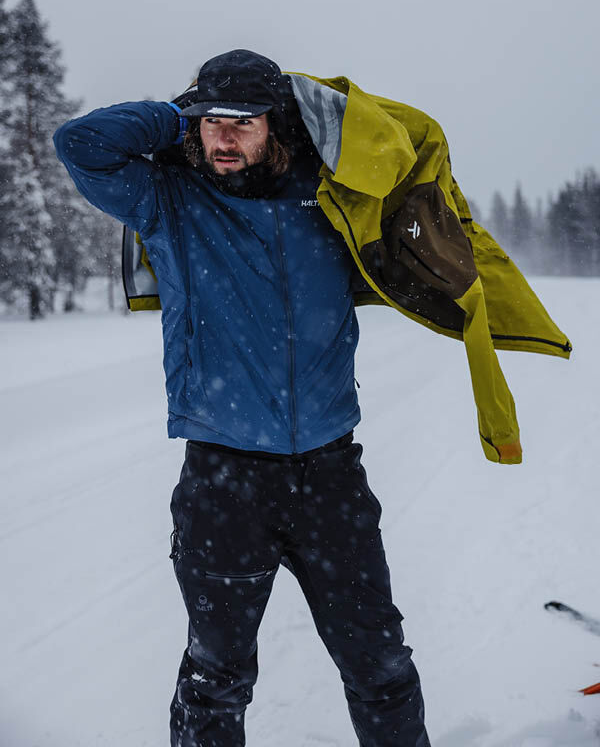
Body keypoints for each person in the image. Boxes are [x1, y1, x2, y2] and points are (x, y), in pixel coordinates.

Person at [54, 49, 432, 746]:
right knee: (215, 676)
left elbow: (413, 201)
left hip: (330, 475)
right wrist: (177, 116)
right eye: (209, 123)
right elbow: (78, 143)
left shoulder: (332, 198)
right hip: (223, 483)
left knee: (381, 665)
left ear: (276, 124)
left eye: (242, 122)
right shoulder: (170, 201)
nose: (222, 137)